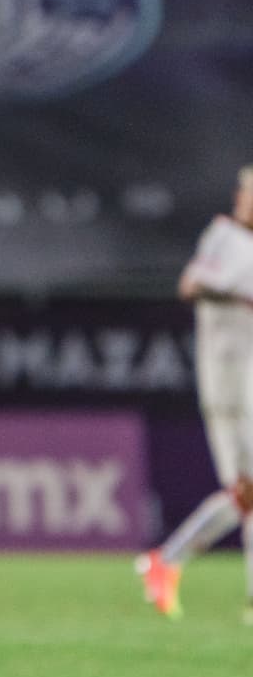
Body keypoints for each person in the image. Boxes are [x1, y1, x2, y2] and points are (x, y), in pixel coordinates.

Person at [138, 165, 253, 620]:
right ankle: (166, 561)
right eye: (247, 191)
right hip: (226, 377)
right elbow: (190, 285)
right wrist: (239, 298)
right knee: (246, 490)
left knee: (246, 492)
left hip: (249, 373)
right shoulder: (223, 235)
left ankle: (166, 562)